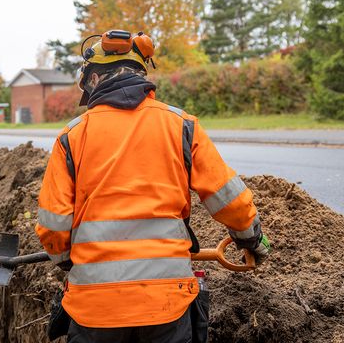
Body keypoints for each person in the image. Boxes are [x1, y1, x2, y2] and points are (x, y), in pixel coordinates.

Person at [35, 30, 271, 343]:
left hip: (94, 308)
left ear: (93, 81)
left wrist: (65, 258)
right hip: (167, 303)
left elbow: (53, 225)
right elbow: (228, 197)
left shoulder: (71, 137)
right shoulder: (181, 125)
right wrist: (251, 238)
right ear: (141, 74)